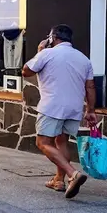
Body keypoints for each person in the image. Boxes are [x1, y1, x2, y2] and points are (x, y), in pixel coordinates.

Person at [22, 24, 98, 199]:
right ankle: (58, 180)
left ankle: (73, 174)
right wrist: (91, 110)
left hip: (52, 105)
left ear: (52, 38)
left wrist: (40, 50)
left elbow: (26, 71)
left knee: (42, 143)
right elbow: (90, 86)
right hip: (74, 107)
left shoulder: (47, 54)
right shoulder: (83, 59)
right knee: (61, 141)